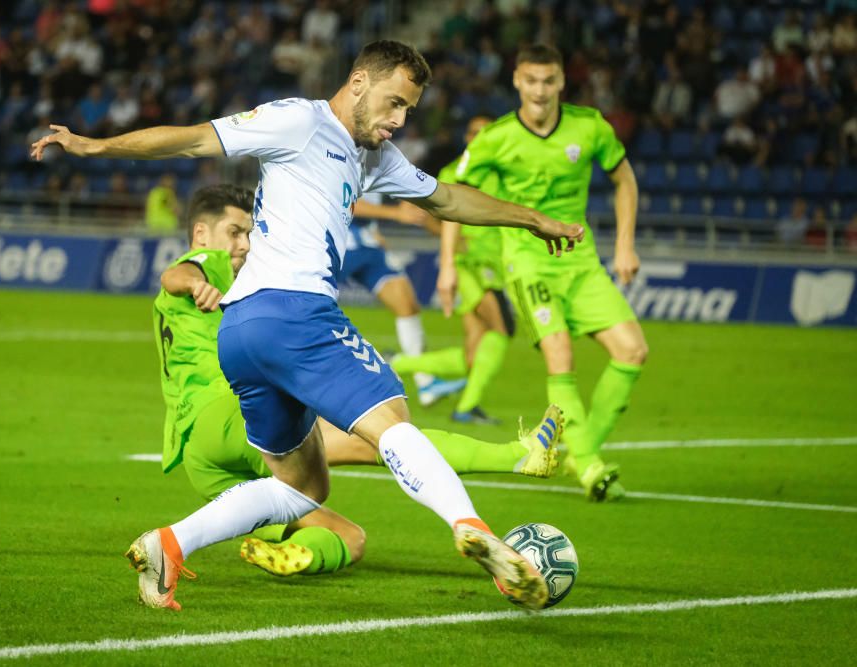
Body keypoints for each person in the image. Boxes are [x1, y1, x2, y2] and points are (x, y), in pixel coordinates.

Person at [31, 39, 583, 612]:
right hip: (295, 312)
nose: (398, 120)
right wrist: (94, 146)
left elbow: (445, 199)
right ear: (359, 83)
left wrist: (533, 220)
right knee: (391, 419)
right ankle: (472, 527)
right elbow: (195, 138)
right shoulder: (298, 120)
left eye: (409, 111)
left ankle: (170, 543)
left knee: (303, 486)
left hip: (243, 334)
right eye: (393, 103)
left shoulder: (374, 156)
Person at [149, 184, 564, 590]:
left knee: (346, 536)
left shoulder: (217, 285)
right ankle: (517, 455)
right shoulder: (208, 262)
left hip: (199, 456)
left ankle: (292, 552)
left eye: (249, 233)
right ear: (202, 233)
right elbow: (176, 273)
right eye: (235, 232)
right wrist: (194, 282)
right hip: (226, 416)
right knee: (381, 438)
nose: (244, 244)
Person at [447, 44, 648, 502]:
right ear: (517, 80)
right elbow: (453, 195)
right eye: (531, 80)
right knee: (559, 353)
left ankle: (582, 449)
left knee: (633, 351)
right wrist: (447, 263)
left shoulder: (589, 126)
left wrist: (624, 244)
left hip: (581, 262)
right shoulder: (495, 138)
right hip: (527, 260)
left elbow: (625, 179)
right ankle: (590, 465)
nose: (540, 90)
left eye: (549, 80)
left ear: (561, 82)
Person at [390, 115, 515, 425]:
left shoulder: (501, 173)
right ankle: (467, 406)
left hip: (495, 264)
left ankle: (397, 363)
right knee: (503, 327)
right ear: (467, 136)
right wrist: (454, 246)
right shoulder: (454, 172)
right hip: (470, 267)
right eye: (473, 131)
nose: (479, 137)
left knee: (474, 353)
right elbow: (432, 214)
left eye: (485, 132)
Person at [347, 195, 467, 407]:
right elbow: (345, 201)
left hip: (366, 243)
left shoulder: (374, 164)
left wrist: (374, 230)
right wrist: (395, 213)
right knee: (313, 308)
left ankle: (426, 383)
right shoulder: (343, 161)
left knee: (407, 305)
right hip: (332, 243)